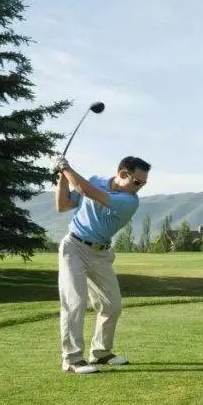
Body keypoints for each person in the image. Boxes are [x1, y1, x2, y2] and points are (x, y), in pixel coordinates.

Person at [54, 155, 151, 374]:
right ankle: (71, 359)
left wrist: (65, 167)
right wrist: (61, 176)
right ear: (123, 174)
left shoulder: (130, 201)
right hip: (74, 247)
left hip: (101, 254)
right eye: (137, 182)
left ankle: (101, 352)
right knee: (74, 302)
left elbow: (90, 193)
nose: (140, 188)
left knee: (112, 305)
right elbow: (63, 205)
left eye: (144, 184)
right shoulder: (94, 180)